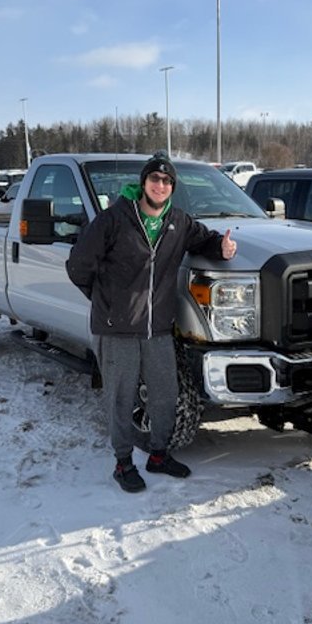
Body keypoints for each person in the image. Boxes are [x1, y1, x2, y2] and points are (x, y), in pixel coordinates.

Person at [67, 152, 237, 493]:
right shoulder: (113, 219)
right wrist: (105, 302)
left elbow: (203, 240)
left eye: (166, 181)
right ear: (143, 183)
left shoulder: (178, 221)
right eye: (155, 179)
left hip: (158, 327)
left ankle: (158, 455)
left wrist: (223, 246)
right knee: (121, 397)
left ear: (172, 187)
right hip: (117, 328)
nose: (160, 185)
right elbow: (78, 265)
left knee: (165, 394)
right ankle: (123, 462)